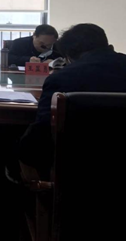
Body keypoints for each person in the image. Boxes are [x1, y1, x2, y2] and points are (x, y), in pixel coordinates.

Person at [18, 23, 126, 177]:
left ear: (69, 56)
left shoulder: (62, 78)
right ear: (108, 45)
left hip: (73, 168)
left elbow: (43, 129)